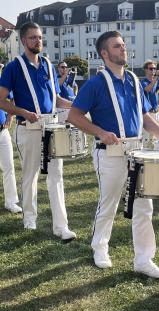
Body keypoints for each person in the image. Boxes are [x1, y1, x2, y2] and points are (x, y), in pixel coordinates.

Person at [68, 31, 159, 276]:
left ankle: (144, 260)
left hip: (137, 151)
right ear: (104, 54)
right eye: (117, 46)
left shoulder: (133, 80)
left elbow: (144, 116)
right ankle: (99, 248)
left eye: (123, 46)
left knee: (144, 206)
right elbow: (73, 116)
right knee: (108, 204)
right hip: (109, 153)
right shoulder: (95, 83)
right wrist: (100, 131)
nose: (123, 49)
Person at [0, 22, 76, 242]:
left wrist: (75, 104)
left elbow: (56, 98)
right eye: (33, 37)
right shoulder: (14, 67)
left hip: (51, 127)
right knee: (30, 175)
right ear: (23, 40)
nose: (38, 41)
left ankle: (61, 225)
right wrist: (22, 111)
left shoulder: (48, 65)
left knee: (57, 176)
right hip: (28, 128)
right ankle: (29, 218)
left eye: (40, 37)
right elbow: (1, 99)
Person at [0, 65, 22, 213]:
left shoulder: (2, 83)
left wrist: (9, 116)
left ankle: (11, 202)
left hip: (2, 131)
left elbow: (13, 99)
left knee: (9, 167)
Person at [141, 60, 159, 150]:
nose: (153, 70)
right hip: (147, 114)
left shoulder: (156, 82)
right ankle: (142, 157)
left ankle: (158, 156)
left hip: (156, 113)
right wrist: (156, 78)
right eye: (151, 68)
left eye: (154, 69)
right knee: (146, 138)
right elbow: (147, 89)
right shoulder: (143, 82)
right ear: (146, 70)